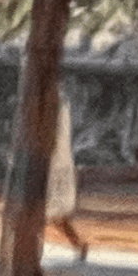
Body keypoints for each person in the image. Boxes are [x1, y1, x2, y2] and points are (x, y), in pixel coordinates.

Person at [46, 90, 87, 262]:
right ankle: (78, 245)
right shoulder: (59, 104)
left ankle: (78, 244)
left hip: (55, 164)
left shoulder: (57, 104)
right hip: (56, 162)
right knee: (57, 216)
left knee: (56, 215)